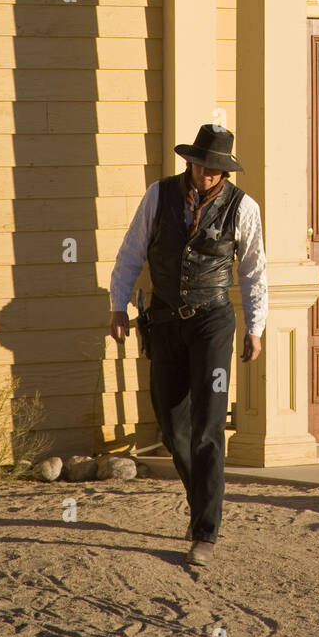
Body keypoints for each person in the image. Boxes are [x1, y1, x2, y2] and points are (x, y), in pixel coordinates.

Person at [108, 124, 267, 565]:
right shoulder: (159, 196)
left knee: (208, 425)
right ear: (190, 162)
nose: (207, 174)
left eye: (216, 168)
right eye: (202, 165)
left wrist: (256, 327)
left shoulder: (243, 208)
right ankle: (203, 505)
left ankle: (206, 531)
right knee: (172, 426)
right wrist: (118, 305)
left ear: (225, 171)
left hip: (213, 323)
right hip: (162, 321)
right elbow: (131, 251)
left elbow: (254, 271)